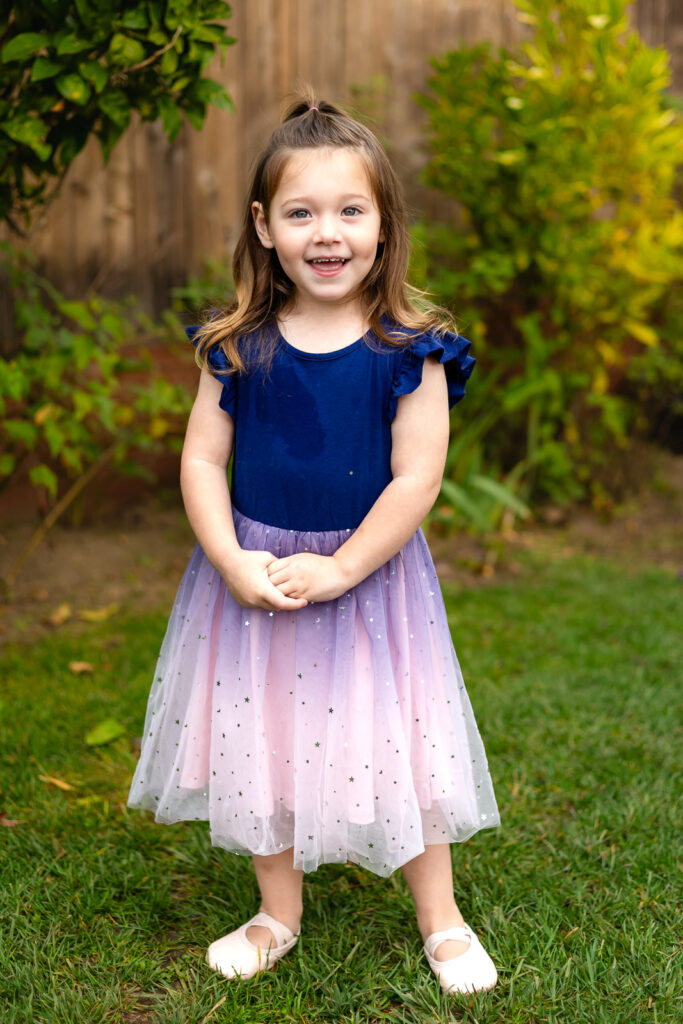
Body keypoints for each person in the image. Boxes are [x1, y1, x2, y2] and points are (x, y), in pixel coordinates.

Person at [128, 93, 500, 996]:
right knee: (262, 736)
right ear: (263, 226)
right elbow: (202, 462)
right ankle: (276, 912)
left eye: (348, 210)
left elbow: (415, 478)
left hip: (367, 581)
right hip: (256, 578)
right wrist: (228, 558)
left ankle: (441, 917)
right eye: (300, 212)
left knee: (400, 739)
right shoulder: (236, 344)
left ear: (382, 224)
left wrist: (342, 566)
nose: (325, 233)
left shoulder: (410, 350)